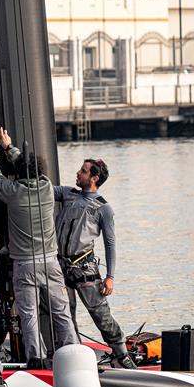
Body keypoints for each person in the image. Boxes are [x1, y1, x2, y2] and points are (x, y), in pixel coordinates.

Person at [0, 123, 78, 368]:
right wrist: (10, 147)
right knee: (61, 311)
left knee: (29, 314)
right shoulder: (47, 187)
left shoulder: (13, 192)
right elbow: (29, 168)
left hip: (24, 264)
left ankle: (36, 359)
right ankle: (73, 353)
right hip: (50, 261)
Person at [49, 157, 137, 369]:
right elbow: (42, 188)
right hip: (60, 267)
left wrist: (110, 277)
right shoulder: (67, 194)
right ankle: (72, 353)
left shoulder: (103, 208)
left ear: (95, 178)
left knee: (100, 314)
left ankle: (121, 353)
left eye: (83, 171)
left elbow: (110, 244)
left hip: (84, 268)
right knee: (64, 313)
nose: (78, 173)